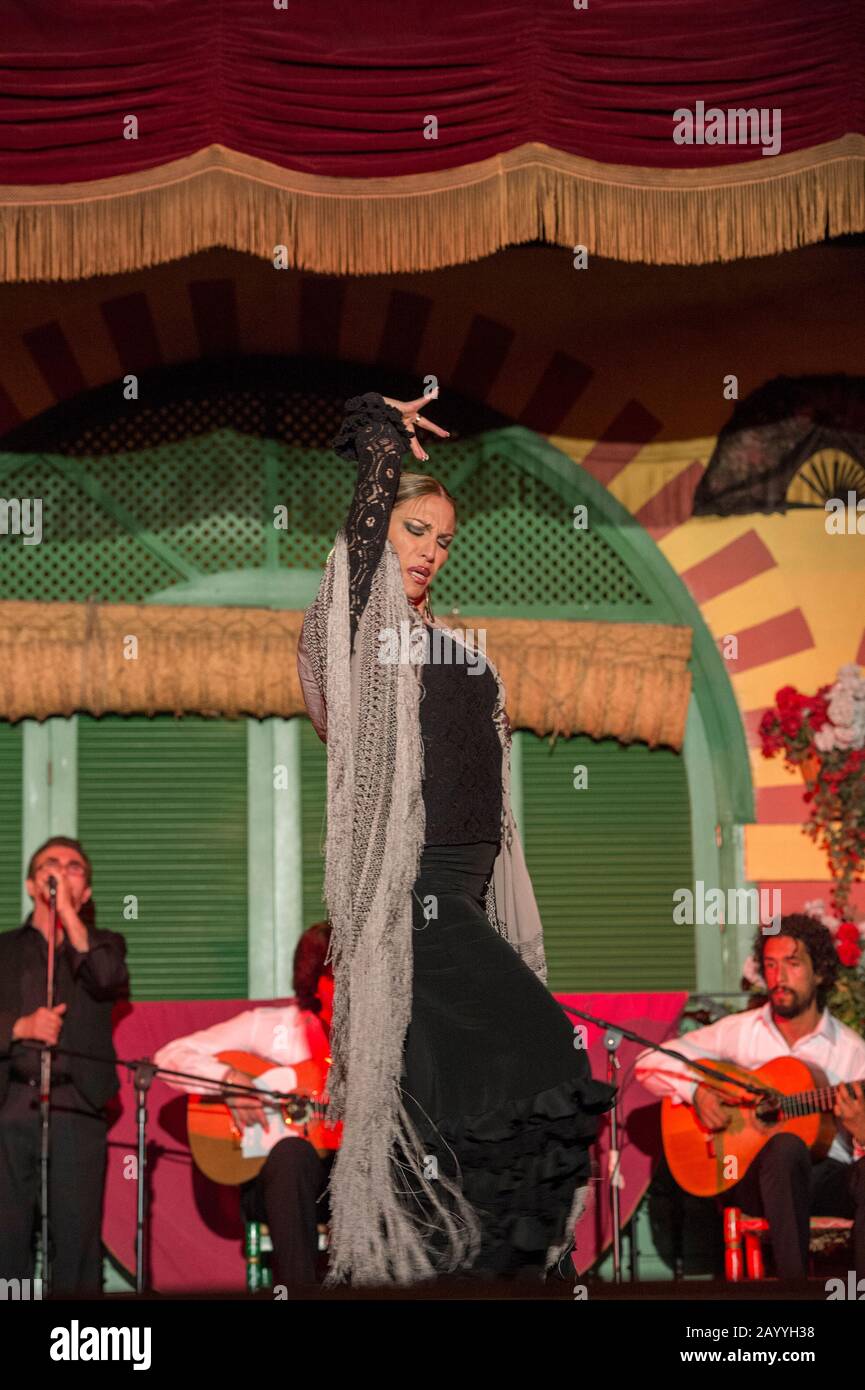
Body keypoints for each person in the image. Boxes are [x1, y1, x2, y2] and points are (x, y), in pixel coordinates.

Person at [296, 387, 615, 1286]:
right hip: (412, 901)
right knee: (545, 1053)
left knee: (443, 1105)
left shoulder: (461, 649)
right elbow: (358, 558)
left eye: (442, 540)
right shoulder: (353, 640)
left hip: (467, 898)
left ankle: (462, 1272)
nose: (430, 551)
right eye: (414, 530)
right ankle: (487, 1265)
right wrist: (380, 444)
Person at [635, 914, 865, 1279]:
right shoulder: (741, 1031)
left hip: (826, 1181)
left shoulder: (852, 1052)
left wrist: (861, 1131)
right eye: (770, 965)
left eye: (792, 964)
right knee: (785, 1146)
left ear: (820, 972)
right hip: (755, 1179)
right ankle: (793, 1291)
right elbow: (649, 1061)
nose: (779, 977)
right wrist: (697, 1092)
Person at [154, 922, 339, 1286]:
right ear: (316, 980)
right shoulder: (268, 1027)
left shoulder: (375, 1042)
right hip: (277, 1187)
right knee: (292, 1153)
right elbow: (168, 1057)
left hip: (346, 1184)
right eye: (337, 975)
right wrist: (229, 1081)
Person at [0, 836, 129, 1293]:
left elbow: (107, 979)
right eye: (49, 865)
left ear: (86, 891)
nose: (60, 870)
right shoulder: (4, 949)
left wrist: (68, 913)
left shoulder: (106, 945)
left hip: (77, 1103)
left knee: (76, 1239)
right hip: (10, 1103)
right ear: (32, 884)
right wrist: (20, 1026)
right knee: (7, 1236)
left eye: (74, 867)